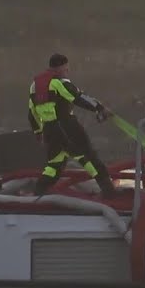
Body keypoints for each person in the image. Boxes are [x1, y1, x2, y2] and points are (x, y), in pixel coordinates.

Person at [28, 53, 117, 198]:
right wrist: (100, 108)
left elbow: (31, 113)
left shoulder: (34, 86)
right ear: (61, 67)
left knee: (54, 165)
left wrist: (38, 132)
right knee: (88, 156)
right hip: (66, 126)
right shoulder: (59, 83)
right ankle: (109, 192)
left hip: (50, 130)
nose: (67, 71)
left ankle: (38, 193)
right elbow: (78, 98)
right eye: (66, 68)